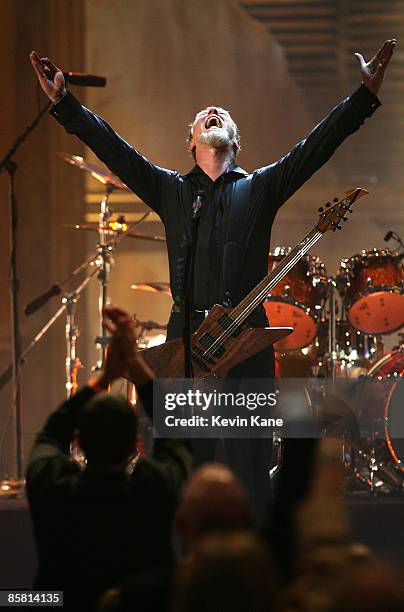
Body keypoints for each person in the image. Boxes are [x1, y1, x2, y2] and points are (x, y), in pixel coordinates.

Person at [29, 40, 395, 520]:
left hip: (247, 346)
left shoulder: (258, 188)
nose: (214, 111)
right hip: (188, 346)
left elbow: (315, 148)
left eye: (221, 113)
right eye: (204, 114)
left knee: (250, 468)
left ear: (235, 141)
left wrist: (364, 95)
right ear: (192, 142)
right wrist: (64, 103)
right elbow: (115, 152)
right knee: (187, 469)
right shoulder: (172, 190)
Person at [26, 306, 192, 612]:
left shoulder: (54, 488)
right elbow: (176, 430)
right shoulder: (153, 490)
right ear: (135, 444)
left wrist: (106, 376)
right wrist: (135, 365)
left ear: (79, 442)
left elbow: (51, 433)